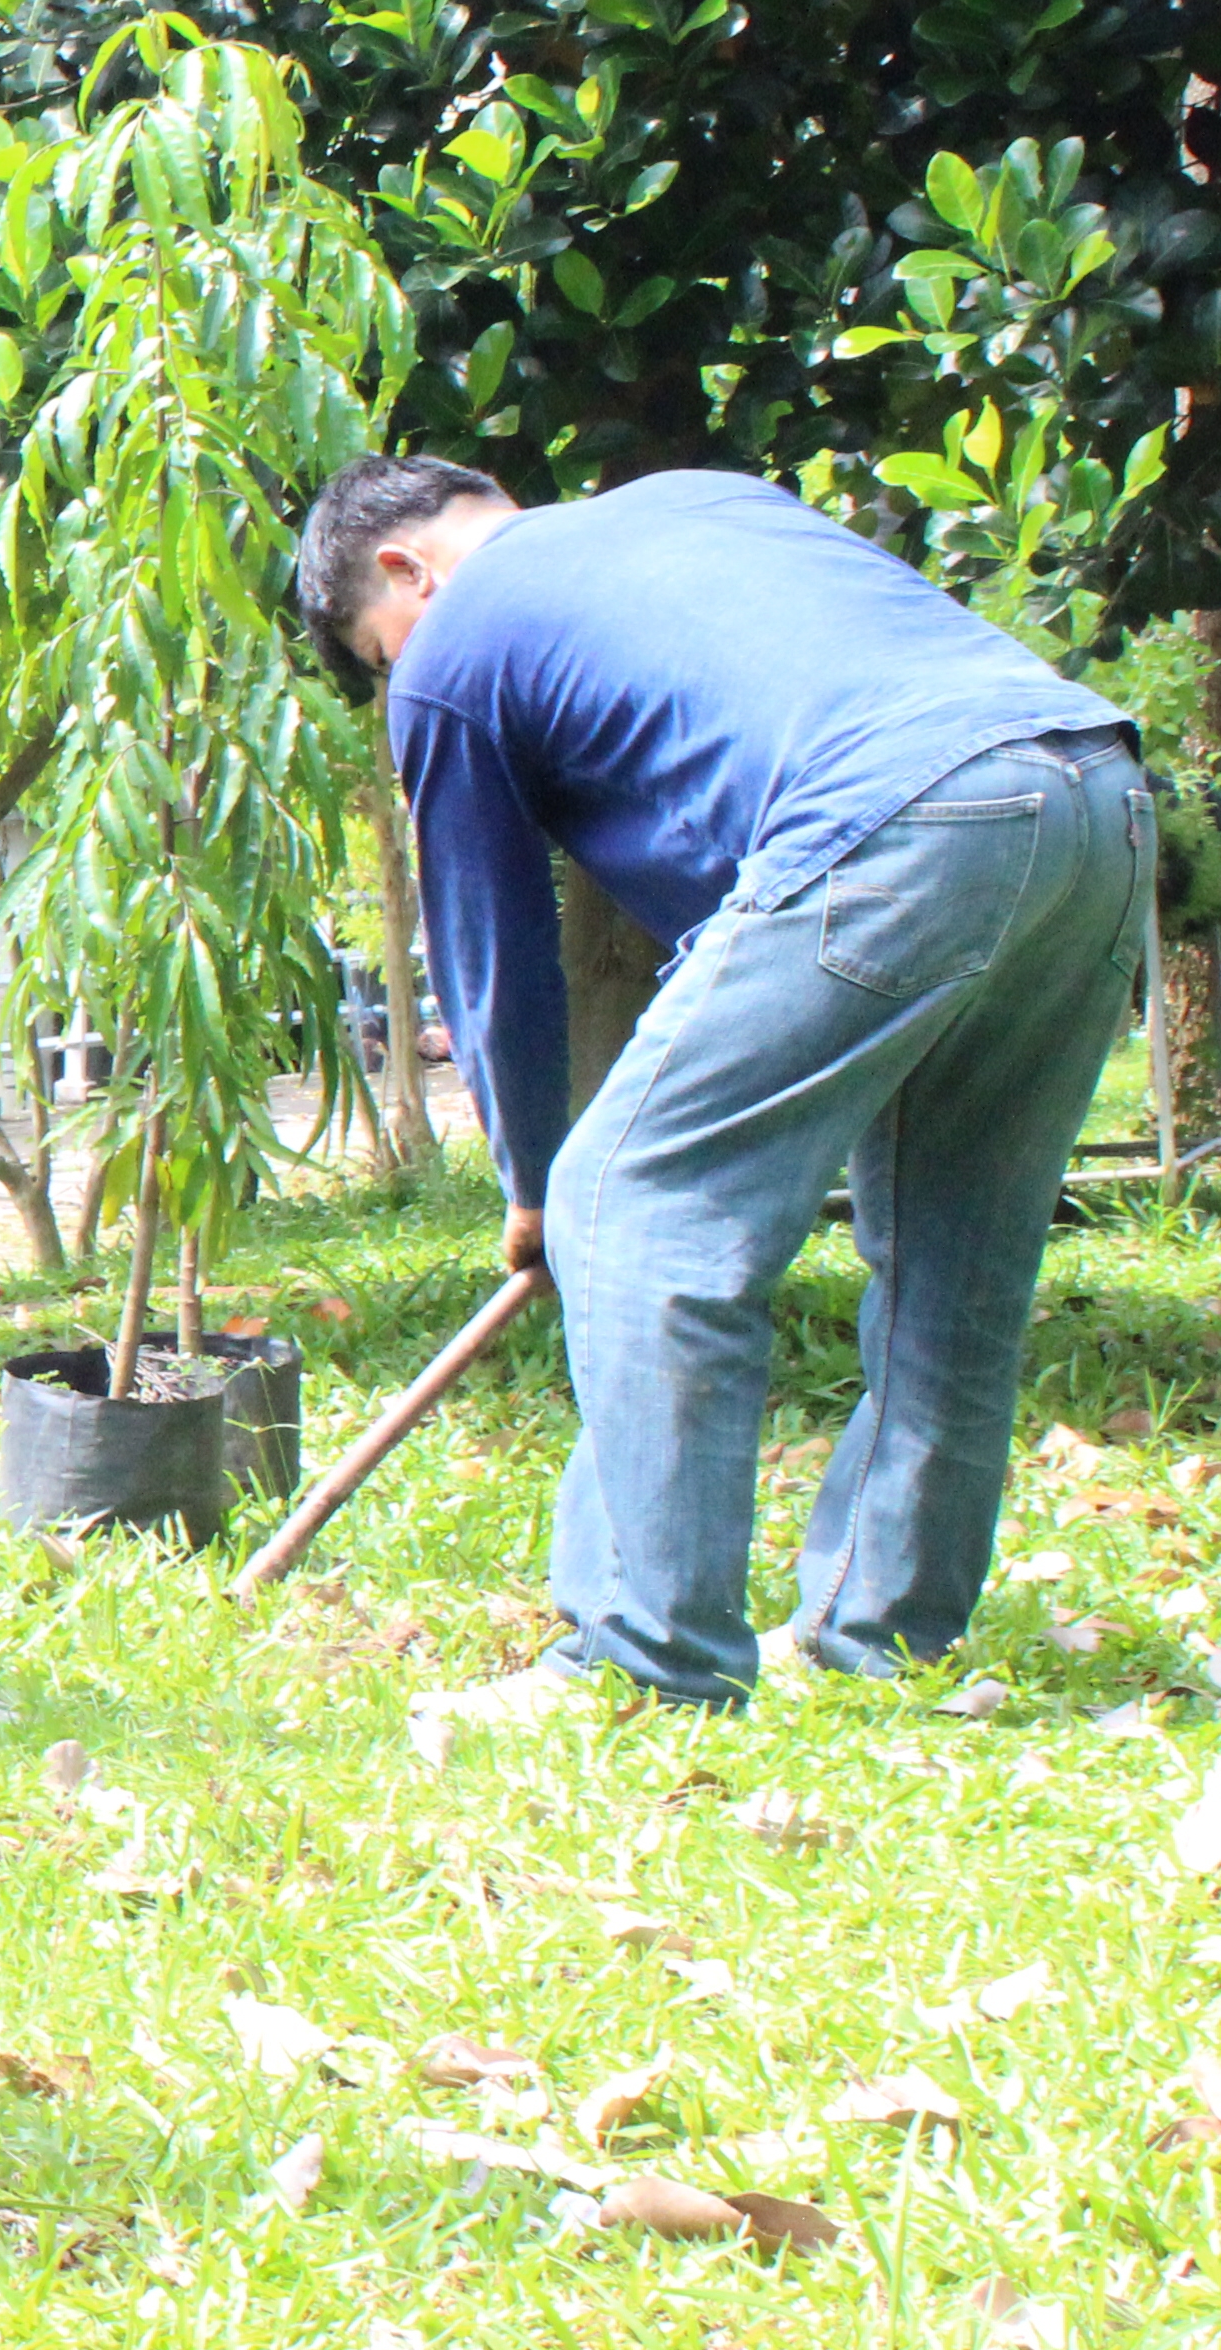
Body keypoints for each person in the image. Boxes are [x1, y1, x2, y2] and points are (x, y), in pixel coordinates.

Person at [294, 458, 1146, 1706]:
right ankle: (882, 1640)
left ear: (403, 571)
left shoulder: (454, 641)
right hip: (1090, 788)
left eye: (378, 654)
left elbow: (489, 950)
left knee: (634, 1203)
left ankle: (643, 1663)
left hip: (898, 813)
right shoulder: (702, 502)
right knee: (956, 1256)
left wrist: (535, 1185)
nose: (399, 677)